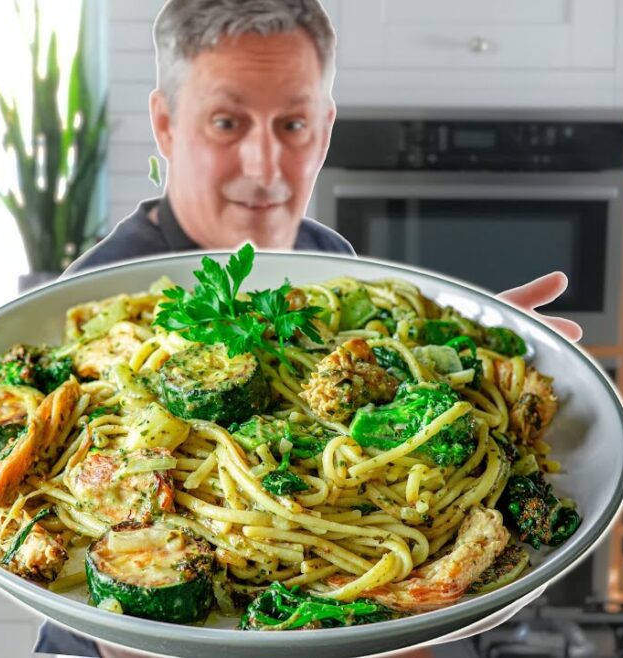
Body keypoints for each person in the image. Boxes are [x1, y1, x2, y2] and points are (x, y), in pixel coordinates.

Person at [36, 1, 579, 656]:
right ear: (166, 126)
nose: (264, 164)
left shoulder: (329, 262)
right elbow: (125, 599)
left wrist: (463, 350)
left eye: (292, 123)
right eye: (227, 121)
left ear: (324, 131)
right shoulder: (108, 293)